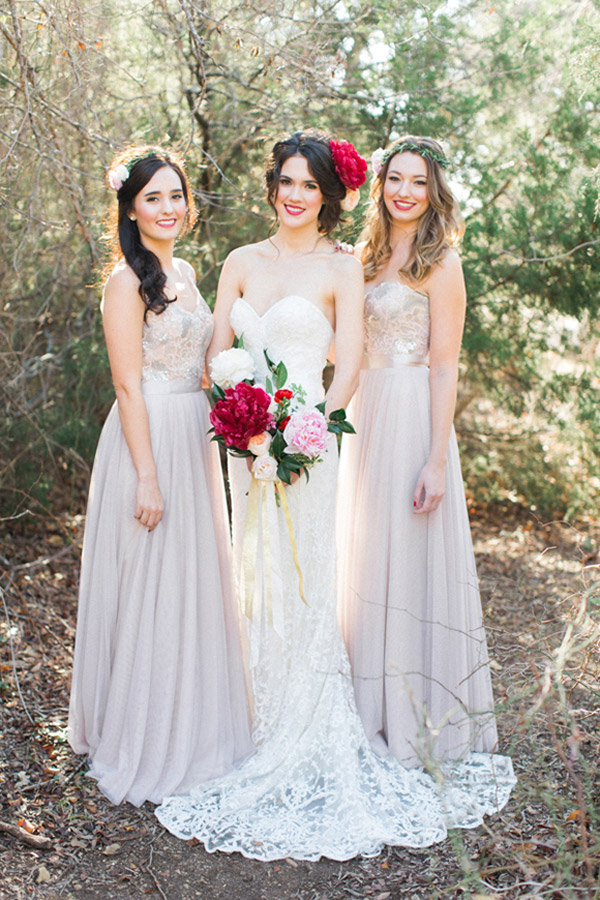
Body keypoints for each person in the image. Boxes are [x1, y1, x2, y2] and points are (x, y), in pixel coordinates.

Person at [155, 131, 515, 860]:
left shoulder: (404, 266)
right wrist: (241, 421)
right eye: (285, 181)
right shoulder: (342, 258)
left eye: (308, 184)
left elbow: (374, 359)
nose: (295, 194)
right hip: (250, 438)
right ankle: (249, 716)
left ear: (327, 194)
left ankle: (357, 716)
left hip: (326, 435)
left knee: (323, 575)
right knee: (283, 573)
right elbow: (212, 348)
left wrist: (304, 426)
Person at [68, 146, 253, 806]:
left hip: (193, 437)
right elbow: (125, 381)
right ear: (131, 208)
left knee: (190, 582)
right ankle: (142, 734)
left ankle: (194, 719)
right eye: (153, 198)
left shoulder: (190, 271)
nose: (168, 208)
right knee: (150, 580)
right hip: (146, 440)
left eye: (175, 195)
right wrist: (147, 477)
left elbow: (207, 357)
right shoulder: (125, 282)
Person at [337, 135, 503, 769]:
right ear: (379, 186)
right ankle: (365, 707)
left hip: (412, 415)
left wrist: (437, 459)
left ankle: (413, 712)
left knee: (407, 553)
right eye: (395, 179)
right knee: (364, 550)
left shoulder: (442, 262)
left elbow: (444, 367)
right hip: (364, 412)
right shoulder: (362, 256)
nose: (405, 191)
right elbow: (341, 346)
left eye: (418, 181)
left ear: (434, 192)